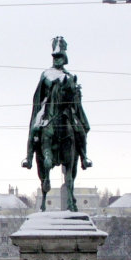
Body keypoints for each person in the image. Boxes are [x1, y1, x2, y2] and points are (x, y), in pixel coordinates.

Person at [22, 36, 91, 171]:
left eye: (60, 56)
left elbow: (74, 96)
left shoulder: (70, 77)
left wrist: (75, 94)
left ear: (64, 58)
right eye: (55, 56)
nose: (57, 59)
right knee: (35, 128)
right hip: (47, 110)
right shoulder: (47, 74)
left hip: (67, 111)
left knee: (80, 130)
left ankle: (84, 157)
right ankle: (28, 157)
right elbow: (40, 94)